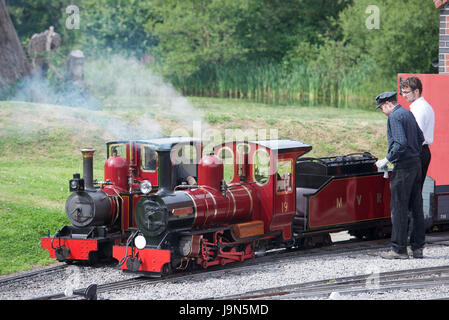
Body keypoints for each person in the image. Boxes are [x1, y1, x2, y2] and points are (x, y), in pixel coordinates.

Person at [374, 91, 425, 259]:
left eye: (381, 108)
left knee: (399, 208)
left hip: (403, 167)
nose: (382, 111)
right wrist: (413, 153)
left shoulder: (394, 117)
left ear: (388, 104)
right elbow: (421, 137)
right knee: (416, 207)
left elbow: (400, 142)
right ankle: (417, 248)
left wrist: (387, 158)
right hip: (416, 164)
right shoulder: (408, 113)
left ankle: (398, 249)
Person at [399, 76, 435, 190]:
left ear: (416, 91)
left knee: (411, 192)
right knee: (416, 191)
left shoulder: (419, 109)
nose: (404, 95)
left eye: (406, 92)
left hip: (417, 152)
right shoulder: (425, 106)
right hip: (422, 151)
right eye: (402, 92)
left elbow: (414, 135)